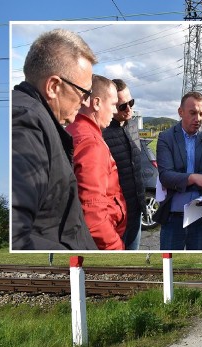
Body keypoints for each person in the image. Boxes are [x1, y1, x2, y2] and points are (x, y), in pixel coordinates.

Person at [11, 28, 98, 250]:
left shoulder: (38, 121)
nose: (86, 102)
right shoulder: (25, 123)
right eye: (84, 92)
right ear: (53, 87)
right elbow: (16, 236)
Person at [155, 91, 202, 250]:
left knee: (198, 264)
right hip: (173, 218)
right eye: (193, 113)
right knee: (169, 264)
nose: (198, 118)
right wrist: (194, 178)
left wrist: (180, 180)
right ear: (181, 112)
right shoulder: (166, 137)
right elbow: (166, 176)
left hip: (201, 218)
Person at [66, 75, 127, 250]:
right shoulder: (91, 142)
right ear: (97, 103)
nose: (116, 111)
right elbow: (92, 211)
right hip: (98, 243)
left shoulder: (73, 131)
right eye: (114, 104)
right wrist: (115, 247)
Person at [103, 79, 145, 250]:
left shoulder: (132, 126)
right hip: (116, 215)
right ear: (112, 105)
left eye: (131, 102)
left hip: (136, 208)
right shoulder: (102, 133)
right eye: (122, 106)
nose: (129, 109)